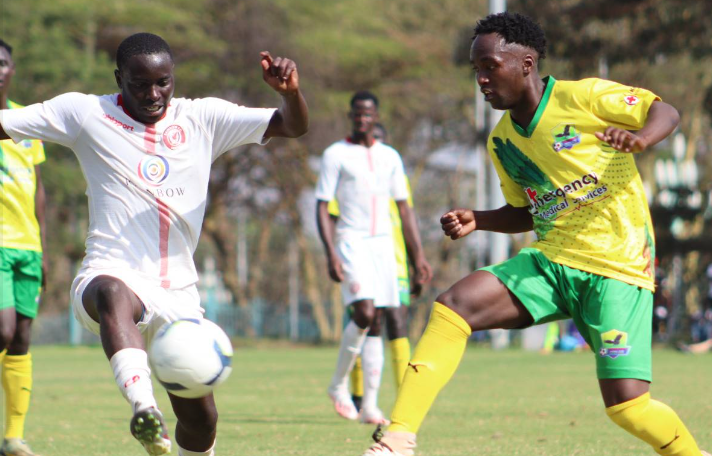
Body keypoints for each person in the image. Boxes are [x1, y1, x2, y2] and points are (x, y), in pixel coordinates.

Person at [361, 12, 709, 456]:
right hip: (550, 262)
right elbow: (528, 211)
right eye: (477, 71)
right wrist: (480, 218)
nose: (482, 80)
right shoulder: (502, 141)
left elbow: (665, 111)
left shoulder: (584, 96)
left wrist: (642, 139)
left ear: (526, 63)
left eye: (490, 67)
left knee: (628, 408)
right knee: (455, 305)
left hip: (616, 269)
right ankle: (397, 438)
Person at [0, 32, 308, 456]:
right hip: (109, 272)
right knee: (111, 291)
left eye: (162, 82)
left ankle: (171, 436)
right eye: (139, 83)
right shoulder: (85, 112)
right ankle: (144, 408)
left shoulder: (203, 119)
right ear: (118, 79)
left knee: (202, 424)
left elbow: (292, 125)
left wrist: (290, 94)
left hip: (179, 293)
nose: (153, 93)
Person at [316, 92, 432, 425]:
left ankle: (369, 405)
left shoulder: (390, 157)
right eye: (357, 113)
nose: (362, 118)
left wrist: (419, 257)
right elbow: (322, 206)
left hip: (383, 245)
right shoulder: (336, 154)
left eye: (368, 113)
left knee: (377, 323)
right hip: (351, 242)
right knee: (364, 313)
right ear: (350, 115)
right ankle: (338, 385)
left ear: (376, 115)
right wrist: (331, 253)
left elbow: (405, 208)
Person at [0, 39, 46, 456]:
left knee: (21, 339)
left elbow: (38, 189)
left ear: (13, 69)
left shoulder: (25, 121)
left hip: (27, 246)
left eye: (2, 63)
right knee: (3, 328)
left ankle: (13, 437)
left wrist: (43, 247)